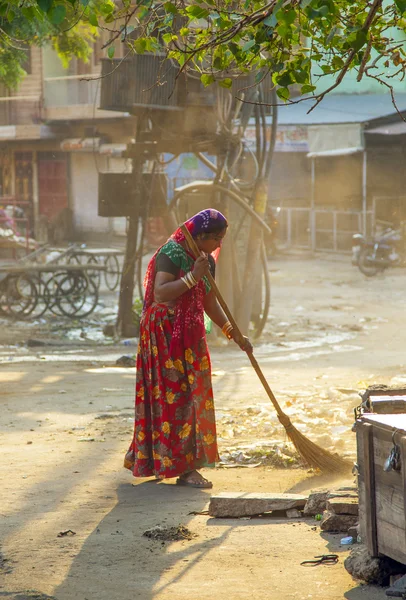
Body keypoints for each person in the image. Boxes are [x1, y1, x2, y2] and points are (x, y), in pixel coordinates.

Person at [124, 208, 252, 488]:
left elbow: (209, 301)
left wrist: (233, 332)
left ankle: (186, 465)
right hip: (164, 336)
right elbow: (160, 292)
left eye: (222, 239)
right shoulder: (172, 253)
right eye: (216, 238)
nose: (219, 245)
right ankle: (175, 466)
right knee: (173, 398)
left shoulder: (206, 260)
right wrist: (193, 276)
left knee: (196, 396)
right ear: (201, 235)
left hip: (191, 335)